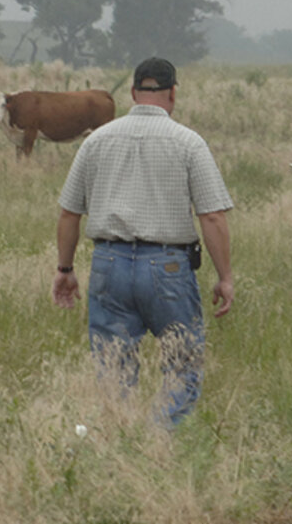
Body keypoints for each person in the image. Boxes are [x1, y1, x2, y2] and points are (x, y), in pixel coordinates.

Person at [52, 56, 234, 426]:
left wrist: (65, 269)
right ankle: (160, 437)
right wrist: (225, 276)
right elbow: (212, 216)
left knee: (113, 368)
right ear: (173, 94)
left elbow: (69, 213)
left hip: (108, 263)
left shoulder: (96, 141)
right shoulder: (189, 143)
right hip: (167, 266)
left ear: (133, 92)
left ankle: (120, 442)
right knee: (181, 364)